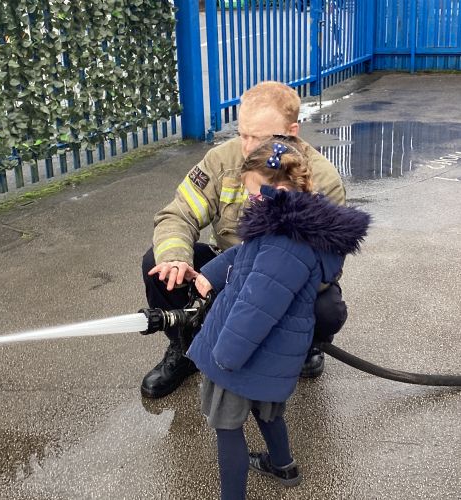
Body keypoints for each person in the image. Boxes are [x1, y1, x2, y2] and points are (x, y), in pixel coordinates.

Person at [182, 138, 370, 499]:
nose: (249, 199)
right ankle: (283, 465)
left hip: (247, 353)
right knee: (267, 412)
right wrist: (211, 274)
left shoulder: (286, 243)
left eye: (254, 193)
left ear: (279, 190)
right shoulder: (285, 224)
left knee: (227, 427)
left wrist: (226, 357)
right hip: (270, 352)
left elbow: (258, 307)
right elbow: (247, 252)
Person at [141, 81, 347, 399]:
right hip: (227, 264)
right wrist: (176, 258)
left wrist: (249, 286)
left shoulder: (321, 180)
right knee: (158, 265)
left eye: (260, 138)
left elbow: (323, 267)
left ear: (292, 132)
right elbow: (178, 214)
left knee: (327, 308)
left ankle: (304, 348)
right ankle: (185, 347)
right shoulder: (221, 161)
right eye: (243, 134)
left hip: (284, 278)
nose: (248, 148)